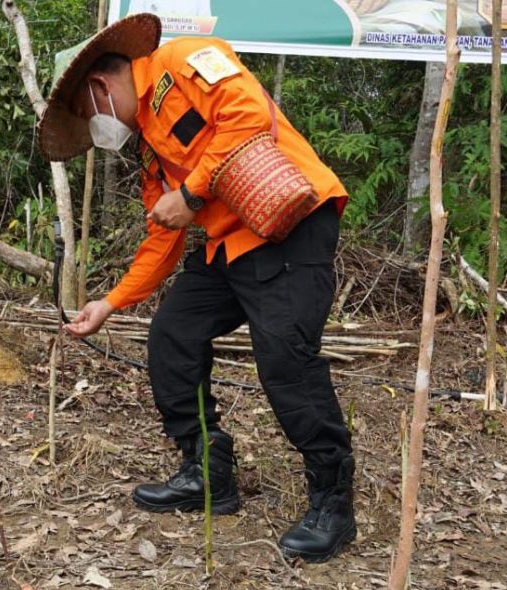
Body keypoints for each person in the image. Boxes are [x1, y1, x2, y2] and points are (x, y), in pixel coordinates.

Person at [37, 13, 356, 562]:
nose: (99, 129)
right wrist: (110, 303)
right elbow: (161, 238)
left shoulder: (183, 62)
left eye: (92, 117)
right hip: (228, 247)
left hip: (291, 227)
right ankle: (207, 474)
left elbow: (248, 115)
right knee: (172, 337)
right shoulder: (150, 151)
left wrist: (191, 194)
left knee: (285, 360)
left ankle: (333, 502)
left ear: (100, 86)